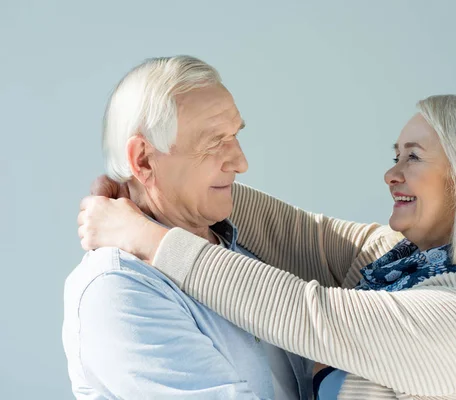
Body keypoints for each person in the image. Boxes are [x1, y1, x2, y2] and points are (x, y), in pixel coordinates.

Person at [80, 95, 456, 399]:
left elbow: (307, 312)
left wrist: (145, 237)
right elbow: (296, 231)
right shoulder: (400, 263)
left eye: (414, 157)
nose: (392, 174)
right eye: (396, 156)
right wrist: (168, 179)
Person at [63, 55, 316, 399]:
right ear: (143, 159)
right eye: (213, 142)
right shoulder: (118, 289)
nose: (242, 162)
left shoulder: (241, 249)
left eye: (234, 136)